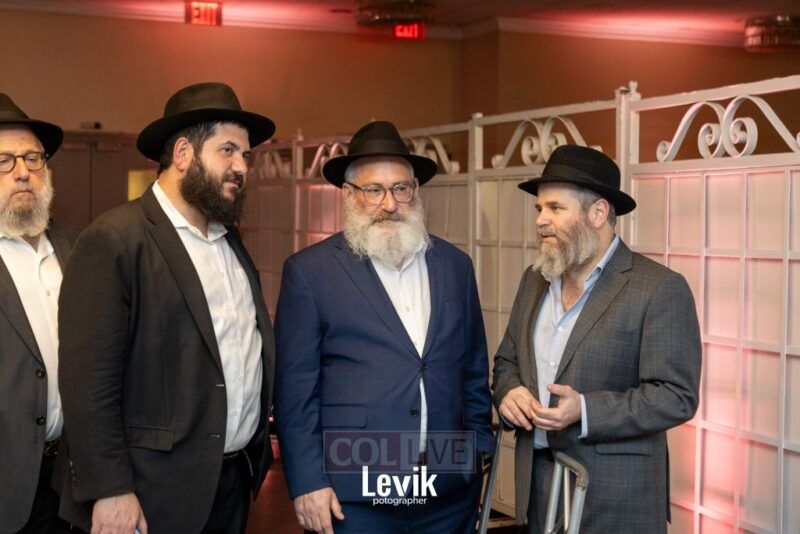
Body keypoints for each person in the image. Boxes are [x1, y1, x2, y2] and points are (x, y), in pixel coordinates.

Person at [55, 82, 277, 534]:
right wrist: (110, 488)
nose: (241, 166)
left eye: (245, 155)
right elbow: (88, 384)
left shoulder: (230, 240)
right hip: (150, 492)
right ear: (182, 154)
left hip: (231, 483)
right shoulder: (115, 240)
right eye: (228, 150)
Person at [274, 121, 493, 534]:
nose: (389, 203)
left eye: (400, 189)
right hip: (352, 495)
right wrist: (307, 481)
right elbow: (295, 392)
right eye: (373, 190)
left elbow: (473, 371)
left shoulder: (454, 266)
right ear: (348, 194)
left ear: (416, 190)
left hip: (447, 493)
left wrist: (479, 448)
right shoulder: (310, 273)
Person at [492, 144, 701, 533]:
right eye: (539, 208)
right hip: (540, 486)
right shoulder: (534, 279)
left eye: (555, 208)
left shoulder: (659, 288)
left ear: (598, 213)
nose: (541, 220)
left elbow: (676, 396)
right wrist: (509, 392)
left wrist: (585, 410)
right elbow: (506, 361)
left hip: (618, 499)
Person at [0, 93, 74, 534]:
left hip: (69, 483)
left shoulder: (76, 247)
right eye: (4, 161)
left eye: (33, 158)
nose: (23, 171)